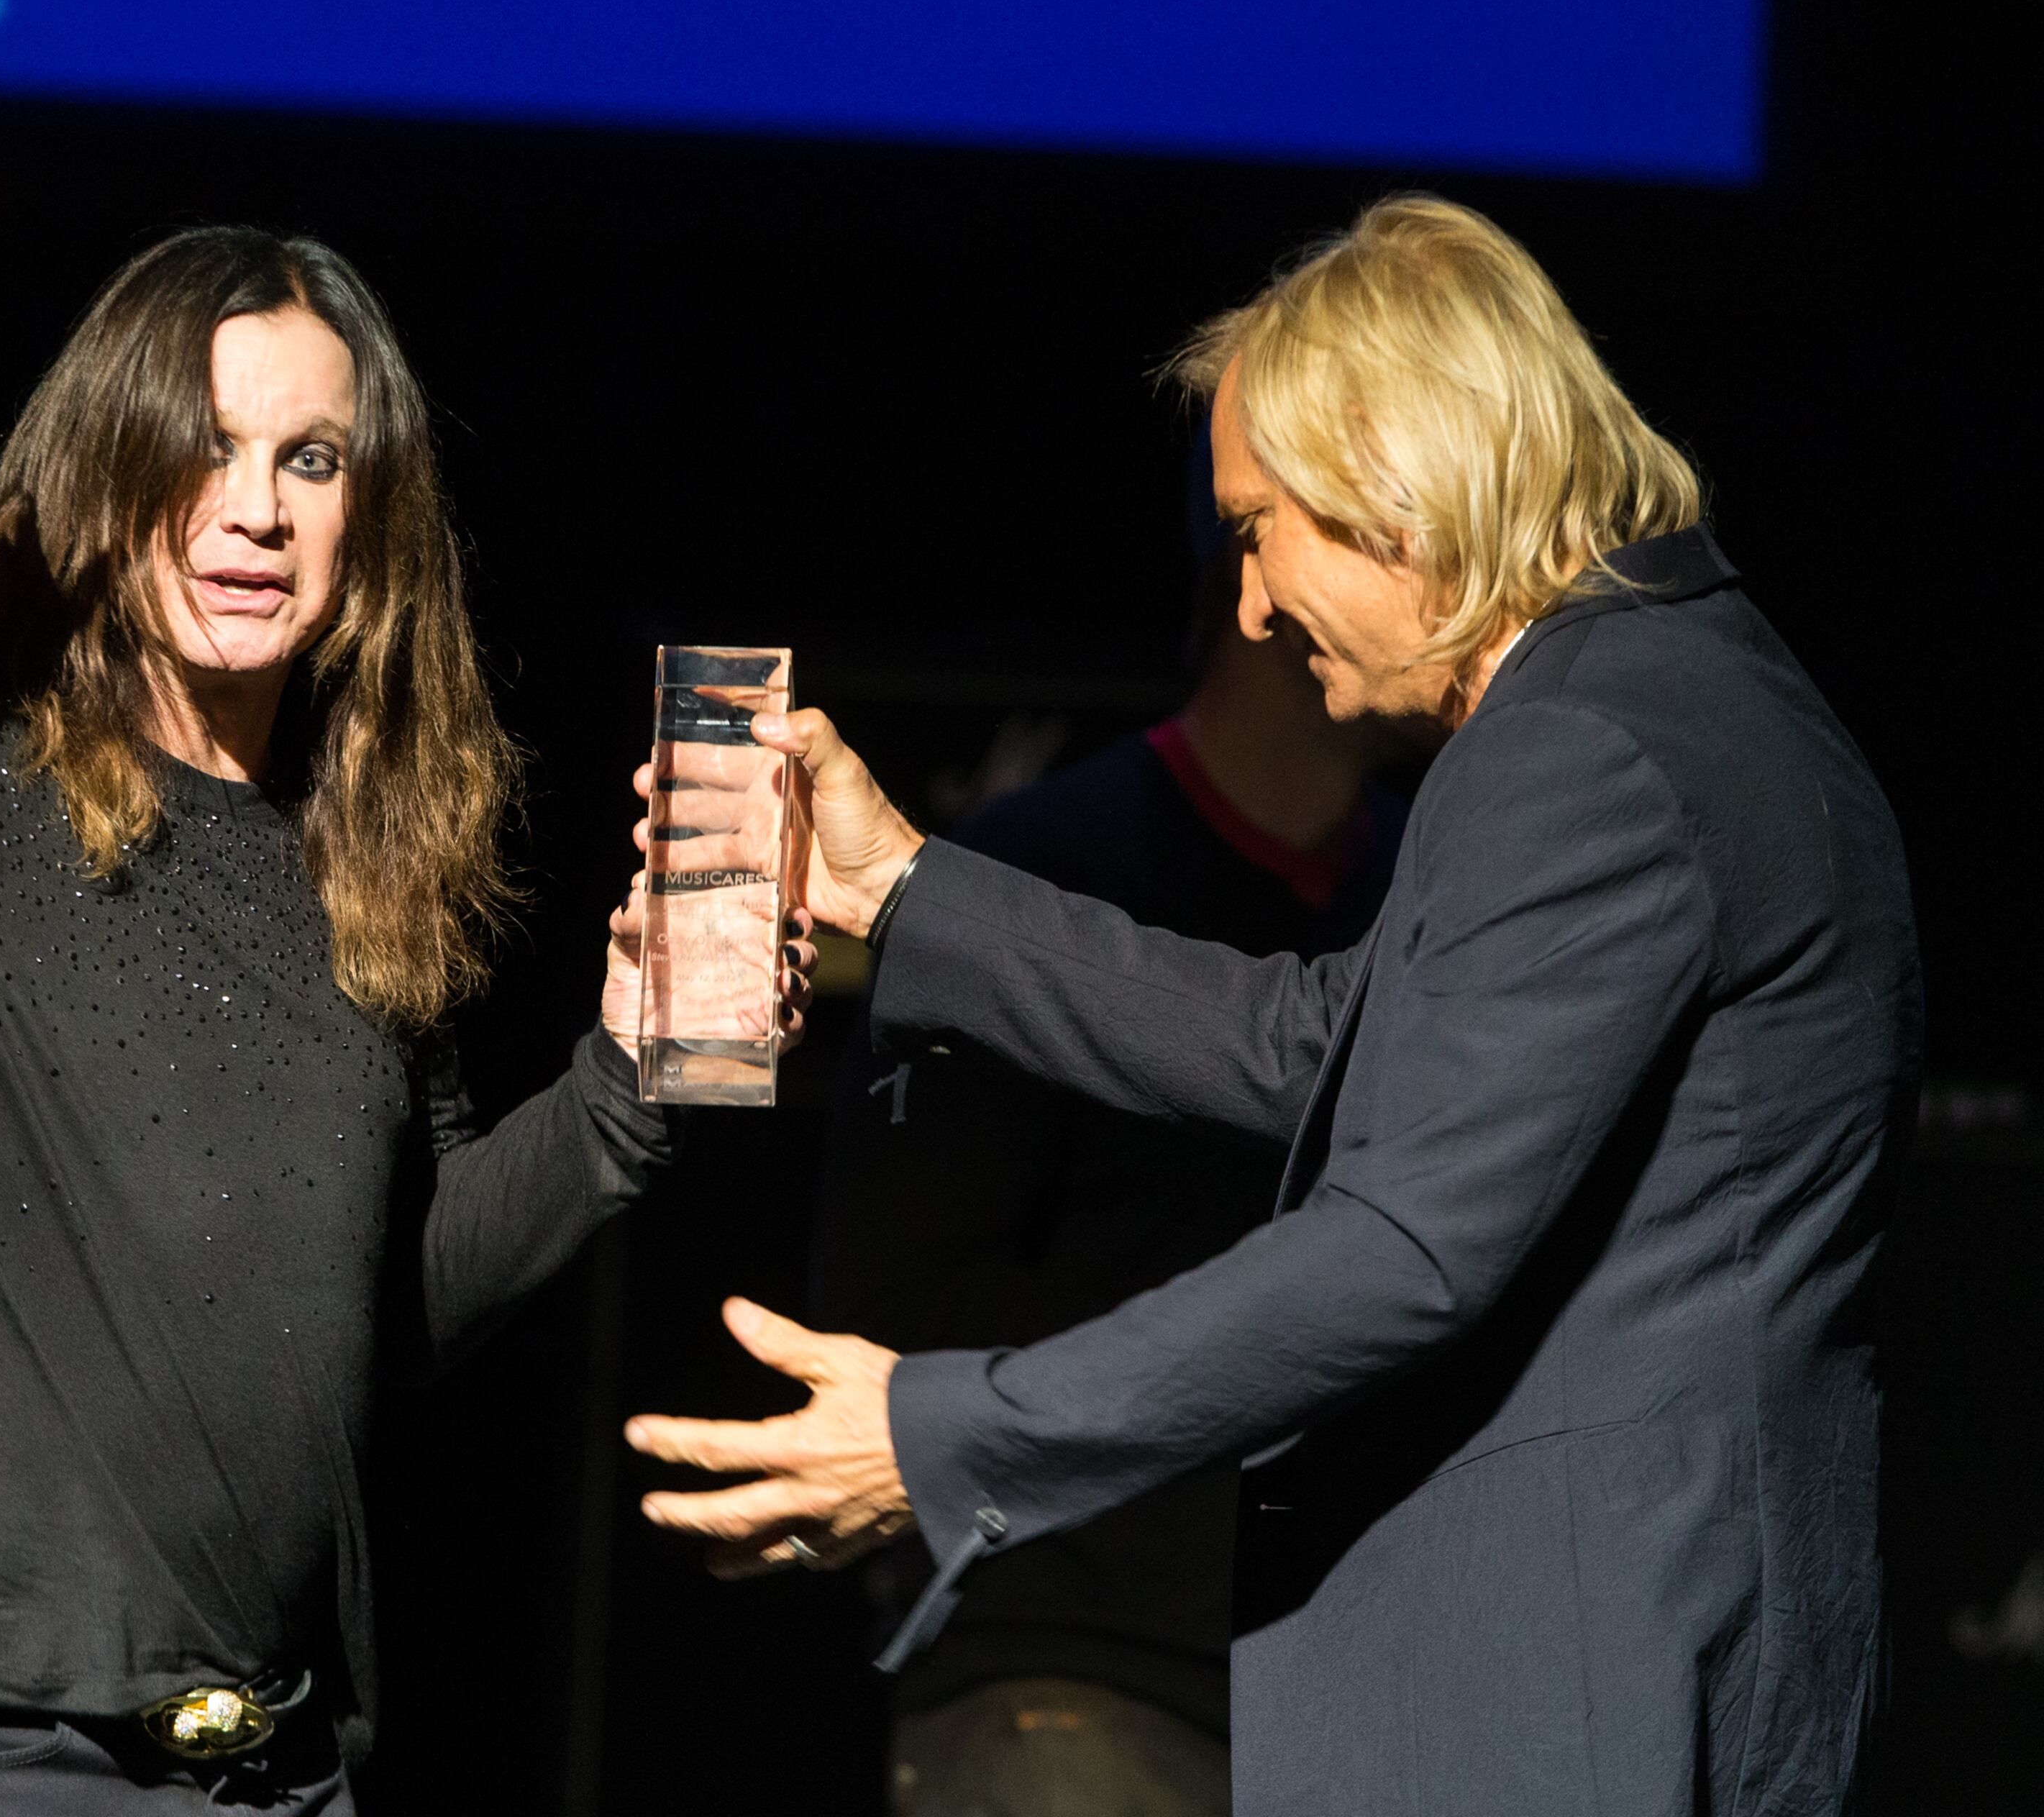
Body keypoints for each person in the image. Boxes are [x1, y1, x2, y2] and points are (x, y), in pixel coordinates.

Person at [0, 14, 804, 1813]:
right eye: (206, 447)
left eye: (310, 461)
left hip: (265, 1758)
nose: (251, 510)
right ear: (110, 460)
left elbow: (376, 1309)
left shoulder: (367, 860)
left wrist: (634, 1087)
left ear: (369, 513)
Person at [623, 196, 1920, 1816]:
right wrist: (907, 890)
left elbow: (1405, 1242)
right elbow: (1323, 1040)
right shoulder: (1681, 693)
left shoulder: (1588, 745)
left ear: (1395, 481)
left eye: (1258, 528)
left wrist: (955, 1432)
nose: (1242, 605)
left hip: (1568, 1699)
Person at [812, 468, 1410, 1817]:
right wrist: (1274, 1372)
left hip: (1359, 1687)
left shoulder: (1432, 886)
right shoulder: (1035, 877)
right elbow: (895, 1305)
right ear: (1252, 582)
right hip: (1085, 1674)